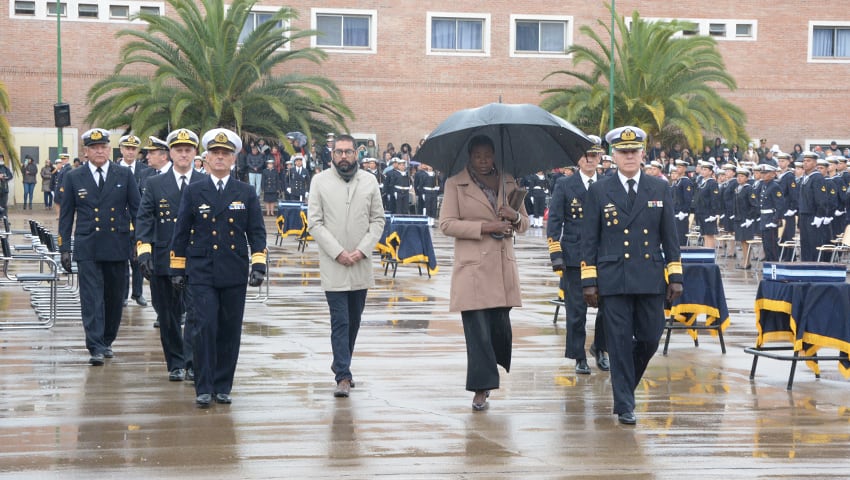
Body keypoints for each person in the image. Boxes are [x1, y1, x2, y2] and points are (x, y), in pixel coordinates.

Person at [580, 125, 683, 425]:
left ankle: (625, 386)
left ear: (642, 154)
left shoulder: (659, 188)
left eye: (634, 152)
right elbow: (590, 239)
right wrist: (589, 281)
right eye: (623, 152)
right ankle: (624, 402)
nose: (629, 157)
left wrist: (675, 276)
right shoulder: (600, 190)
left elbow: (670, 237)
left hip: (650, 276)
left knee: (651, 337)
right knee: (620, 341)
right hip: (614, 278)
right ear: (613, 155)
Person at [169, 128, 267, 407]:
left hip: (233, 270)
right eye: (215, 153)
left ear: (234, 159)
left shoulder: (245, 192)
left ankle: (223, 385)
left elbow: (257, 232)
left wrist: (258, 263)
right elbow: (181, 231)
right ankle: (203, 385)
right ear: (207, 158)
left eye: (226, 154)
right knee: (203, 328)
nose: (220, 158)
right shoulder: (194, 190)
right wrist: (177, 268)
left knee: (229, 329)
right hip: (202, 271)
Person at [439, 134, 529, 411]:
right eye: (477, 156)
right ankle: (481, 388)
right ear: (469, 156)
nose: (483, 161)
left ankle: (492, 368)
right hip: (473, 269)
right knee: (477, 330)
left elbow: (524, 223)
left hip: (502, 268)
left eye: (488, 155)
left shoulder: (509, 181)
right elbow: (446, 224)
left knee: (498, 328)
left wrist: (513, 218)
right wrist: (486, 227)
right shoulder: (456, 184)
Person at [307, 133, 386, 398]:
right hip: (334, 264)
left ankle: (342, 361)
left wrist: (361, 251)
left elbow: (378, 221)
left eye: (348, 152)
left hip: (360, 264)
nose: (343, 156)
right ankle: (343, 374)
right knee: (339, 320)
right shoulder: (319, 181)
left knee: (354, 320)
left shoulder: (370, 181)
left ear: (357, 153)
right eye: (339, 151)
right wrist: (339, 252)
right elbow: (314, 223)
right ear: (332, 154)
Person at [58, 128, 141, 365]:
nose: (100, 151)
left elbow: (137, 210)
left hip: (117, 244)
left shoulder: (123, 175)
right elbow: (66, 216)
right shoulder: (74, 177)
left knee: (114, 298)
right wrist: (65, 247)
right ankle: (94, 345)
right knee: (91, 298)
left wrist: (141, 242)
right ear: (86, 152)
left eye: (103, 147)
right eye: (94, 147)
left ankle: (106, 340)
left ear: (109, 149)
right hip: (88, 245)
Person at [136, 128, 205, 383]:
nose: (183, 154)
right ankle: (175, 363)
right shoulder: (155, 184)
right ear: (170, 153)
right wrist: (144, 253)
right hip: (163, 260)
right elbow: (144, 219)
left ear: (195, 153)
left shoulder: (205, 181)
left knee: (196, 315)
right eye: (178, 150)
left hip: (195, 260)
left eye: (188, 150)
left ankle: (192, 362)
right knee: (168, 316)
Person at [547, 137, 608, 375]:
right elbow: (554, 221)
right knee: (576, 311)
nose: (589, 159)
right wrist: (556, 255)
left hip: (603, 257)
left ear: (600, 158)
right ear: (577, 159)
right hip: (574, 256)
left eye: (594, 155)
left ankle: (601, 348)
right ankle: (578, 355)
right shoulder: (565, 184)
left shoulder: (607, 183)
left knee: (608, 308)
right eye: (584, 155)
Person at [118, 134, 151, 308]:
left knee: (138, 260)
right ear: (121, 150)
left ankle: (137, 294)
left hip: (139, 223)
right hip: (120, 224)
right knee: (122, 261)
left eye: (133, 149)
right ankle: (122, 295)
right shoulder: (113, 169)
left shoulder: (145, 170)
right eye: (127, 148)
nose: (130, 152)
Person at [797, 151, 829, 262]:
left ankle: (814, 266)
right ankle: (805, 265)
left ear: (815, 163)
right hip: (804, 214)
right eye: (804, 161)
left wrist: (819, 215)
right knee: (804, 243)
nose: (805, 163)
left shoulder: (817, 177)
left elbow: (821, 199)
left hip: (813, 215)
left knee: (813, 243)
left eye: (808, 161)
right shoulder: (805, 178)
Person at [732, 168, 759, 269]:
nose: (739, 178)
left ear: (747, 178)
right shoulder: (738, 188)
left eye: (742, 176)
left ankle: (746, 262)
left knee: (746, 241)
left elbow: (754, 205)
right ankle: (745, 261)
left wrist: (749, 218)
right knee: (742, 241)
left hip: (746, 219)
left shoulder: (748, 189)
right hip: (739, 218)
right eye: (738, 176)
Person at [758, 164, 785, 262]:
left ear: (773, 174)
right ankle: (769, 269)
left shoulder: (774, 186)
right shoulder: (764, 185)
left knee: (772, 247)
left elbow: (780, 205)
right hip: (765, 219)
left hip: (771, 219)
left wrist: (775, 220)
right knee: (766, 247)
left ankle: (775, 269)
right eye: (762, 173)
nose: (763, 175)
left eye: (766, 173)